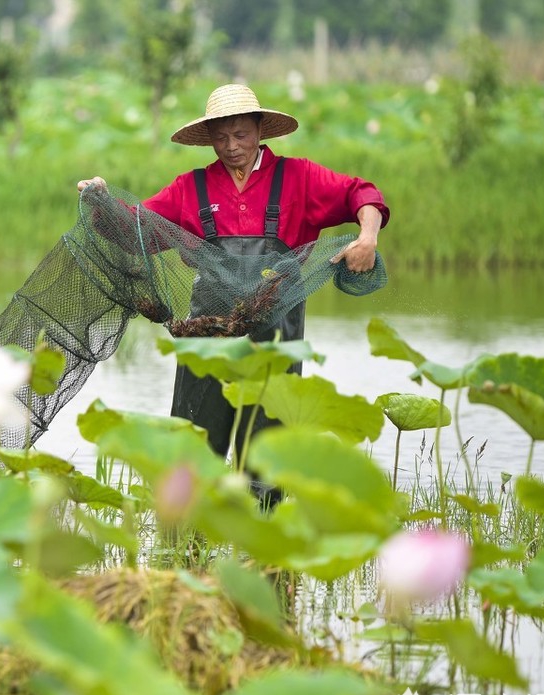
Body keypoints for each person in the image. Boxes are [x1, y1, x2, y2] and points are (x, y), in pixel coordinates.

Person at [77, 83, 390, 477]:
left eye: (241, 134)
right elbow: (135, 231)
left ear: (260, 131)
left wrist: (368, 237)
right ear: (208, 138)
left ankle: (262, 527)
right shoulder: (190, 188)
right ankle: (185, 537)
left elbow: (361, 194)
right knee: (194, 446)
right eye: (221, 137)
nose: (231, 146)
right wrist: (101, 202)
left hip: (275, 331)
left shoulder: (299, 177)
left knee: (267, 451)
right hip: (208, 332)